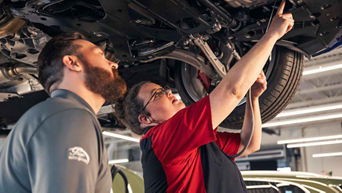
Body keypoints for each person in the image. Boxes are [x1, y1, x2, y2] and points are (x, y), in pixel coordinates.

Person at [115, 1, 293, 192]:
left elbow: (248, 144)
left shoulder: (192, 140)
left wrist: (253, 99)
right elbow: (232, 91)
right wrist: (271, 35)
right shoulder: (161, 140)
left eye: (165, 90)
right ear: (146, 119)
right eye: (158, 94)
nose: (169, 93)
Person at [0, 32, 126, 193]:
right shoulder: (70, 116)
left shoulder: (57, 114)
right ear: (72, 63)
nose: (113, 64)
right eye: (100, 55)